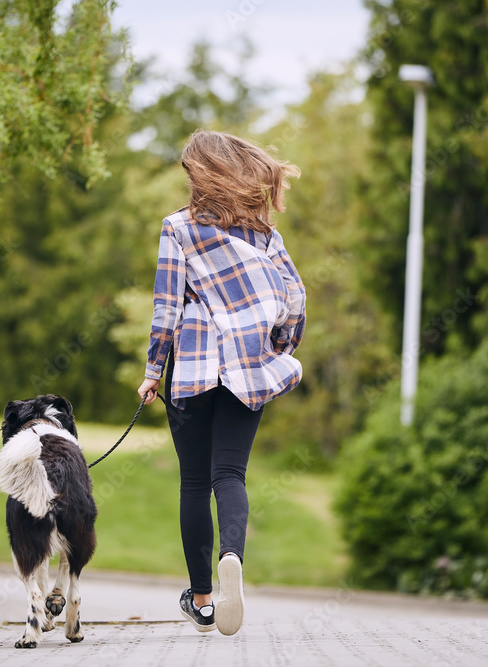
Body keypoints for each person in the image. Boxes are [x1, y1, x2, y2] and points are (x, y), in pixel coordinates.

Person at [137, 129, 306, 636]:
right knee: (229, 475)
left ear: (202, 174)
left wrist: (151, 372)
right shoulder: (265, 236)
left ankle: (204, 600)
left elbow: (167, 307)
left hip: (191, 370)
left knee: (193, 482)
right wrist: (280, 347)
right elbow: (294, 300)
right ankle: (232, 555)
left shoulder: (177, 229)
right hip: (247, 370)